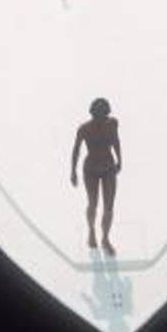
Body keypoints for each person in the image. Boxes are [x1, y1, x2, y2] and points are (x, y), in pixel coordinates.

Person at [71, 98, 120, 256]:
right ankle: (92, 231)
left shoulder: (112, 124)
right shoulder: (84, 129)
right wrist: (73, 171)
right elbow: (76, 150)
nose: (102, 119)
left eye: (104, 115)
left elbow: (116, 142)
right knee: (93, 203)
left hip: (108, 167)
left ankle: (105, 238)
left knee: (109, 206)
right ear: (93, 115)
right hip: (91, 168)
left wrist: (120, 160)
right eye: (99, 116)